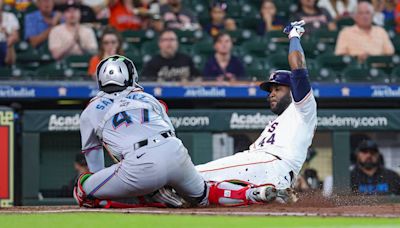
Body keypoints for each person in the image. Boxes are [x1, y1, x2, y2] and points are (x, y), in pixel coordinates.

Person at [73, 54, 289, 208]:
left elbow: (94, 163)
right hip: (174, 151)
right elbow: (169, 129)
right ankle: (253, 193)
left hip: (140, 165)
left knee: (83, 188)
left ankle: (153, 199)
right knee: (205, 194)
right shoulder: (148, 98)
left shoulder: (91, 110)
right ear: (130, 77)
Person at [196, 21, 317, 197]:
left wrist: (294, 36)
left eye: (278, 89)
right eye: (270, 91)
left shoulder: (302, 109)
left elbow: (298, 69)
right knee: (211, 193)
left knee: (194, 176)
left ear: (293, 91)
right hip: (270, 173)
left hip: (269, 162)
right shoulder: (276, 122)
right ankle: (263, 194)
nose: (272, 94)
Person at [0, 0, 20, 66]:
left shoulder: (10, 16)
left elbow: (15, 37)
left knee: (9, 43)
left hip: (6, 49)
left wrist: (7, 34)